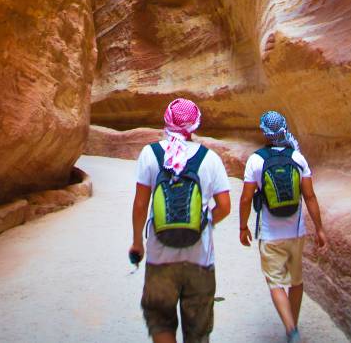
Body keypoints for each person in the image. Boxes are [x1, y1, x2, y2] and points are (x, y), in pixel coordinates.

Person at [129, 98, 231, 343]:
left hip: (159, 257)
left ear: (166, 121)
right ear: (196, 125)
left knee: (161, 321)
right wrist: (203, 223)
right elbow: (225, 206)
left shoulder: (150, 154)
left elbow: (141, 204)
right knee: (198, 331)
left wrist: (137, 243)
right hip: (200, 260)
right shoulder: (210, 158)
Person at [239, 111, 328, 343]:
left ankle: (290, 328)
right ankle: (293, 326)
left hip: (270, 234)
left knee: (275, 282)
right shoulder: (297, 158)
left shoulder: (256, 160)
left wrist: (242, 227)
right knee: (296, 281)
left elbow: (246, 198)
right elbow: (310, 196)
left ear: (264, 133)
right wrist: (319, 229)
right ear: (284, 129)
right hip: (296, 233)